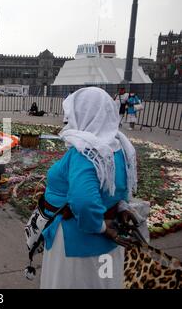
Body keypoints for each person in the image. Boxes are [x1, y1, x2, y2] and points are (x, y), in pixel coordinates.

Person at [40, 87, 138, 289]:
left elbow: (83, 202)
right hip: (108, 248)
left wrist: (101, 227)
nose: (67, 119)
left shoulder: (86, 151)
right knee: (104, 282)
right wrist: (121, 208)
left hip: (77, 245)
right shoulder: (118, 147)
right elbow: (116, 188)